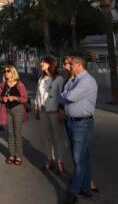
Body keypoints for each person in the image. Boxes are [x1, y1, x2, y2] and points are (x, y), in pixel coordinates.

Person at [60, 55, 98, 204]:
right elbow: (63, 95)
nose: (69, 67)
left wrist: (65, 96)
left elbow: (69, 97)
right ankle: (86, 188)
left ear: (79, 65)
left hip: (81, 123)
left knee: (78, 158)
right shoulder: (74, 80)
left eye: (72, 65)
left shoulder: (87, 81)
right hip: (72, 122)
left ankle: (73, 192)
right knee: (83, 156)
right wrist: (65, 95)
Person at [35, 56, 66, 174]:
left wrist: (61, 110)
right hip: (43, 111)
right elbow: (38, 94)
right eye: (41, 61)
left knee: (58, 137)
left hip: (54, 111)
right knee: (47, 137)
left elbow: (62, 96)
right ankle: (50, 159)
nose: (41, 63)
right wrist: (37, 108)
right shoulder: (41, 78)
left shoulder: (59, 79)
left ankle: (60, 161)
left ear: (51, 64)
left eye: (44, 62)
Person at [0, 64, 28, 166]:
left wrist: (15, 98)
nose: (6, 73)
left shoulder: (19, 84)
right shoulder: (2, 84)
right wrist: (3, 99)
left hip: (17, 109)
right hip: (7, 110)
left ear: (13, 72)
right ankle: (11, 155)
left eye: (8, 71)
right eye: (4, 71)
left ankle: (18, 156)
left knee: (17, 133)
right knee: (9, 133)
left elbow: (24, 98)